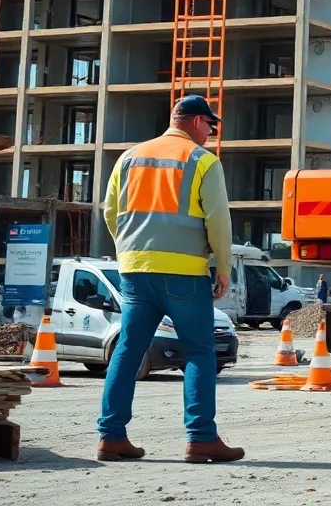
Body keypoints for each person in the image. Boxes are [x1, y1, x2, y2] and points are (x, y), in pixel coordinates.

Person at [97, 95, 245, 463]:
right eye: (210, 126)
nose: (210, 134)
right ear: (196, 122)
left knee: (128, 351)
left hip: (135, 270)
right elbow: (218, 221)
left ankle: (111, 436)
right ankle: (201, 439)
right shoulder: (202, 162)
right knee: (199, 351)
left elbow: (110, 211)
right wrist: (223, 267)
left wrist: (130, 252)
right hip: (183, 272)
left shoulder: (129, 157)